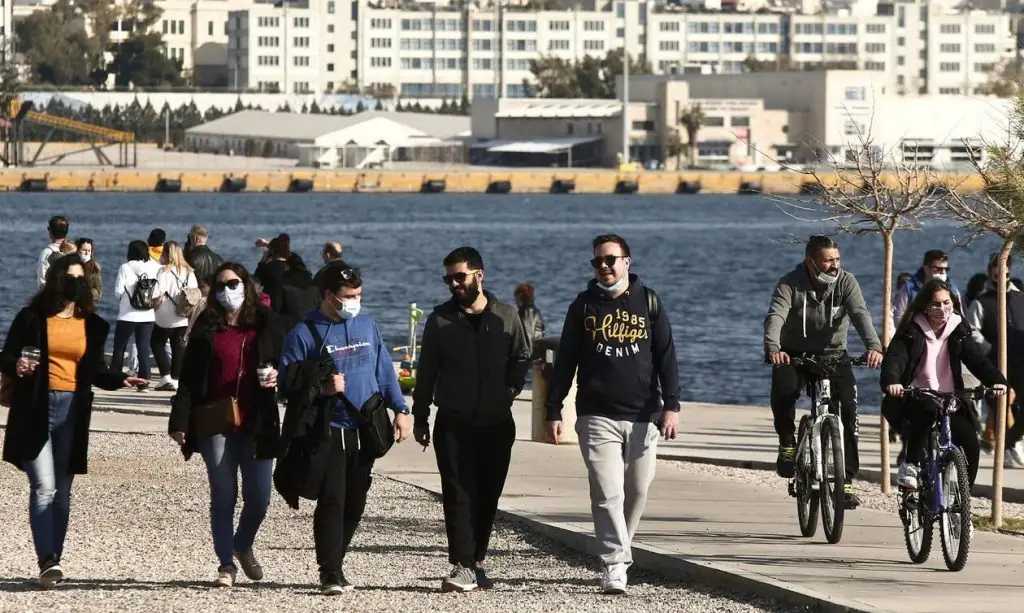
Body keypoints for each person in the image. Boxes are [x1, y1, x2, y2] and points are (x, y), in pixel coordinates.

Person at [544, 234, 680, 595]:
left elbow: (666, 356)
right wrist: (553, 407)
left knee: (637, 490)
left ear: (627, 261)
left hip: (643, 416)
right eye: (597, 261)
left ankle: (621, 549)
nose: (604, 266)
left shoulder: (649, 302)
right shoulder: (584, 306)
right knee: (607, 493)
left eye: (610, 259)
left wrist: (672, 406)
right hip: (596, 414)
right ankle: (615, 564)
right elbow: (566, 360)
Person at [1, 254, 146, 588]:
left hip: (74, 410)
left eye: (82, 278)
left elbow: (92, 370)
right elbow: (7, 356)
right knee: (43, 487)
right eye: (70, 276)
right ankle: (46, 560)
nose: (76, 283)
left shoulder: (91, 324)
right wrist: (17, 366)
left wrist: (119, 379)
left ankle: (55, 557)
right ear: (55, 278)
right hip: (35, 407)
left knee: (63, 493)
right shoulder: (32, 318)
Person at [278, 262, 412, 595]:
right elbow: (286, 383)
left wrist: (401, 409)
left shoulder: (367, 326)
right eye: (348, 296)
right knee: (333, 500)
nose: (354, 301)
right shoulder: (304, 332)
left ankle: (337, 562)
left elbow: (384, 370)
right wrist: (322, 388)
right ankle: (330, 572)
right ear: (328, 295)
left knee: (355, 503)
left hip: (364, 426)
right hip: (329, 428)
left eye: (358, 295)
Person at [412, 247, 531, 593]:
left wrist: (509, 389)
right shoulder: (440, 321)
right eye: (448, 278)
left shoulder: (507, 317)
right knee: (457, 493)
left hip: (496, 423)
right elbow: (427, 373)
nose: (453, 284)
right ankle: (461, 564)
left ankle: (476, 561)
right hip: (453, 421)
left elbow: (522, 356)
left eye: (459, 276)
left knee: (487, 496)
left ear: (479, 275)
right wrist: (420, 416)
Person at [168, 262, 285, 588]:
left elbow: (289, 363)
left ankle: (243, 543)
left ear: (246, 285)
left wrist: (278, 376)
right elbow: (189, 379)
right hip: (214, 419)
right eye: (220, 286)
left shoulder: (265, 323)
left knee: (259, 497)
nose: (226, 291)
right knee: (223, 494)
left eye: (233, 284)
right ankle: (225, 565)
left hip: (256, 421)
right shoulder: (207, 325)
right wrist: (179, 421)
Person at [763, 235, 883, 509]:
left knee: (850, 412)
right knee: (783, 391)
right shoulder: (789, 283)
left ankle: (847, 479)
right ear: (811, 261)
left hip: (833, 355)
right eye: (828, 260)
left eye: (837, 259)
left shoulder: (846, 282)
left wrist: (874, 346)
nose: (835, 266)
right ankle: (787, 442)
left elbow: (860, 314)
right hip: (794, 353)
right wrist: (773, 348)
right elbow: (775, 316)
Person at [882, 278, 1007, 490]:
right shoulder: (911, 330)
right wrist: (892, 382)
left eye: (947, 303)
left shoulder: (958, 330)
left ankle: (963, 499)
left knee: (970, 443)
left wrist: (997, 380)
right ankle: (910, 465)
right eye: (936, 304)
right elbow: (895, 359)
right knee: (926, 413)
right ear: (925, 306)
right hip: (917, 395)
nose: (943, 308)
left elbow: (977, 361)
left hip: (950, 399)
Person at [966, 253, 1024, 468]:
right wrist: (990, 349)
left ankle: (1013, 440)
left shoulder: (1020, 298)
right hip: (995, 363)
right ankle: (1004, 448)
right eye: (995, 269)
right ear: (991, 271)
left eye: (1004, 269)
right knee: (999, 403)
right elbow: (972, 331)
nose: (1000, 273)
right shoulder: (981, 302)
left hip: (1021, 360)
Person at [111, 240, 162, 391]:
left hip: (127, 314)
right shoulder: (153, 267)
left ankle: (115, 379)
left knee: (120, 347)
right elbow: (158, 292)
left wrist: (128, 297)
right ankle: (144, 382)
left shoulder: (125, 268)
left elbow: (118, 292)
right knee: (143, 347)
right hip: (147, 315)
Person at [152, 241, 199, 392]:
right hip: (183, 313)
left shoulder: (163, 271)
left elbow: (157, 292)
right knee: (178, 347)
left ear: (167, 254)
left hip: (164, 313)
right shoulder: (189, 272)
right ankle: (176, 379)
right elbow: (195, 292)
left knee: (156, 342)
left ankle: (165, 376)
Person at [890, 251, 961, 340]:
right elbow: (899, 316)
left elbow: (960, 317)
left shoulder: (953, 290)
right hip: (914, 339)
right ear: (926, 268)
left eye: (945, 269)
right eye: (938, 269)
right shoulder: (908, 288)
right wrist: (910, 336)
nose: (942, 272)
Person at [38, 216, 70, 289]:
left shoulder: (47, 253)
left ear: (51, 232)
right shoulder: (74, 250)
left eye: (49, 228)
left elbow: (42, 281)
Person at [514, 282, 545, 355]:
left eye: (516, 298)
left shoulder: (526, 313)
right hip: (535, 354)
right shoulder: (536, 312)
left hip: (527, 357)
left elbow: (528, 338)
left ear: (520, 297)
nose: (515, 302)